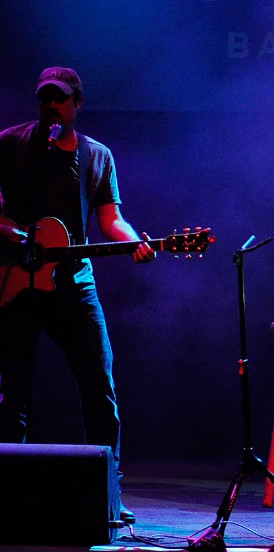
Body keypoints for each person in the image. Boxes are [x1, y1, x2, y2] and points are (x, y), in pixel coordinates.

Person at [0, 67, 155, 524]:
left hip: (73, 283)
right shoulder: (9, 143)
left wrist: (133, 242)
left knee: (98, 385)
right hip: (13, 280)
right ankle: (7, 495)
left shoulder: (96, 156)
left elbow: (110, 219)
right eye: (44, 98)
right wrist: (18, 234)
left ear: (77, 103)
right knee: (13, 394)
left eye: (60, 99)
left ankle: (108, 493)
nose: (51, 106)